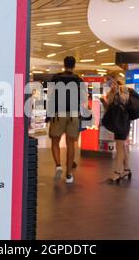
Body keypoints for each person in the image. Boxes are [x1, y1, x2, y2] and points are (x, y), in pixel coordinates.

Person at [47, 56, 88, 184]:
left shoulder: (56, 78)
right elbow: (83, 100)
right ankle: (69, 174)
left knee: (55, 141)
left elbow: (50, 97)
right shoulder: (79, 80)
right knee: (71, 144)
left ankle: (58, 165)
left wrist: (49, 114)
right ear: (74, 66)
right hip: (73, 114)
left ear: (64, 65)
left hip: (58, 113)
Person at [101, 76, 132, 183]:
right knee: (122, 146)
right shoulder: (111, 92)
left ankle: (117, 172)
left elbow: (124, 101)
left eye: (111, 80)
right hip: (117, 122)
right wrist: (104, 100)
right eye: (108, 81)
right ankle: (127, 169)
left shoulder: (124, 89)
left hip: (123, 122)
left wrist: (117, 91)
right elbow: (110, 108)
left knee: (119, 147)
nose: (110, 83)